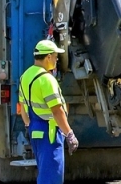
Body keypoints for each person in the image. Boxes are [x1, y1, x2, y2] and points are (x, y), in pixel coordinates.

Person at [19, 39, 79, 184]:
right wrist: (69, 134)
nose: (57, 60)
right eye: (55, 56)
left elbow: (22, 108)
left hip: (35, 130)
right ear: (48, 57)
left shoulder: (25, 76)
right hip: (50, 132)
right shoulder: (47, 79)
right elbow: (57, 111)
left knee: (44, 173)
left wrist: (29, 126)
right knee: (52, 177)